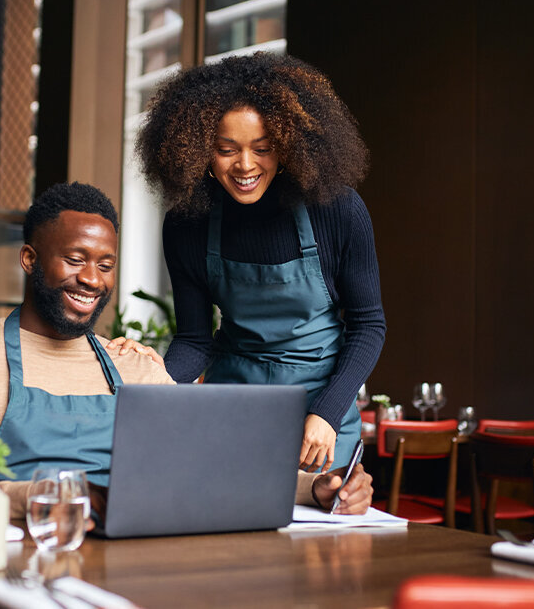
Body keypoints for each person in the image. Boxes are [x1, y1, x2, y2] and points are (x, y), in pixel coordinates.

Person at [0, 181, 372, 518]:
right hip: (17, 555)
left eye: (106, 265)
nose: (92, 279)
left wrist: (318, 489)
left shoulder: (132, 365)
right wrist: (51, 498)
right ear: (30, 259)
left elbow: (211, 468)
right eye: (75, 260)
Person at [122, 52, 386, 474]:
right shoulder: (188, 224)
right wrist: (156, 381)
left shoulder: (336, 209)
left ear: (287, 147)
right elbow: (194, 340)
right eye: (226, 150)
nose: (245, 165)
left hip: (318, 419)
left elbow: (369, 324)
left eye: (262, 149)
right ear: (200, 151)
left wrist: (328, 413)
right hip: (231, 408)